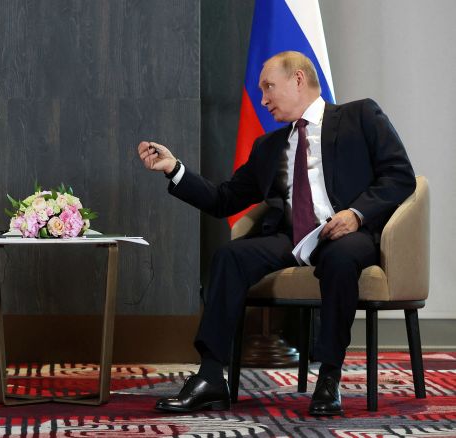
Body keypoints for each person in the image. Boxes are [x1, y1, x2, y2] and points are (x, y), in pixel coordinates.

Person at [137, 51, 415, 416]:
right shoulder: (269, 147)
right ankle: (209, 378)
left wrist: (356, 214)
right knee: (229, 257)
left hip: (348, 232)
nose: (263, 99)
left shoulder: (359, 116)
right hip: (292, 237)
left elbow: (399, 175)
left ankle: (329, 378)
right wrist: (174, 169)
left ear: (298, 79)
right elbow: (224, 199)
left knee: (341, 259)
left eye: (269, 87)